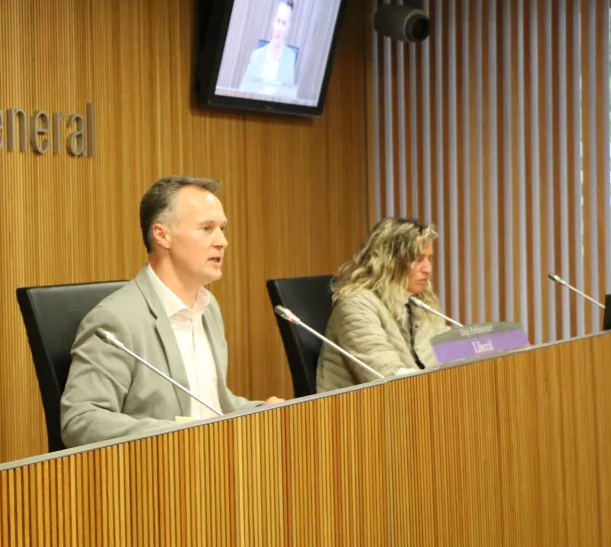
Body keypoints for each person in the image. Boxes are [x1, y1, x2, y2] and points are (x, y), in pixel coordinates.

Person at [60, 176, 282, 448]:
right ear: (162, 235)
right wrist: (181, 434)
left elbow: (209, 406)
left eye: (222, 229)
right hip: (156, 473)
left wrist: (262, 410)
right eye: (206, 228)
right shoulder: (116, 321)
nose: (222, 241)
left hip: (213, 459)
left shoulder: (207, 307)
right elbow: (81, 420)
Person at [315, 217, 449, 393]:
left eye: (429, 259)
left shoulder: (420, 302)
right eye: (418, 259)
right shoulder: (355, 307)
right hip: (360, 412)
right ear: (389, 259)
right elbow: (389, 377)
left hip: (413, 404)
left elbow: (451, 354)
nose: (428, 269)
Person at [241, 0, 298, 88]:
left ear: (288, 28)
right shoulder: (257, 55)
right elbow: (243, 89)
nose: (279, 28)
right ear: (273, 23)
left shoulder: (290, 59)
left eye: (283, 23)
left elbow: (287, 95)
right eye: (278, 21)